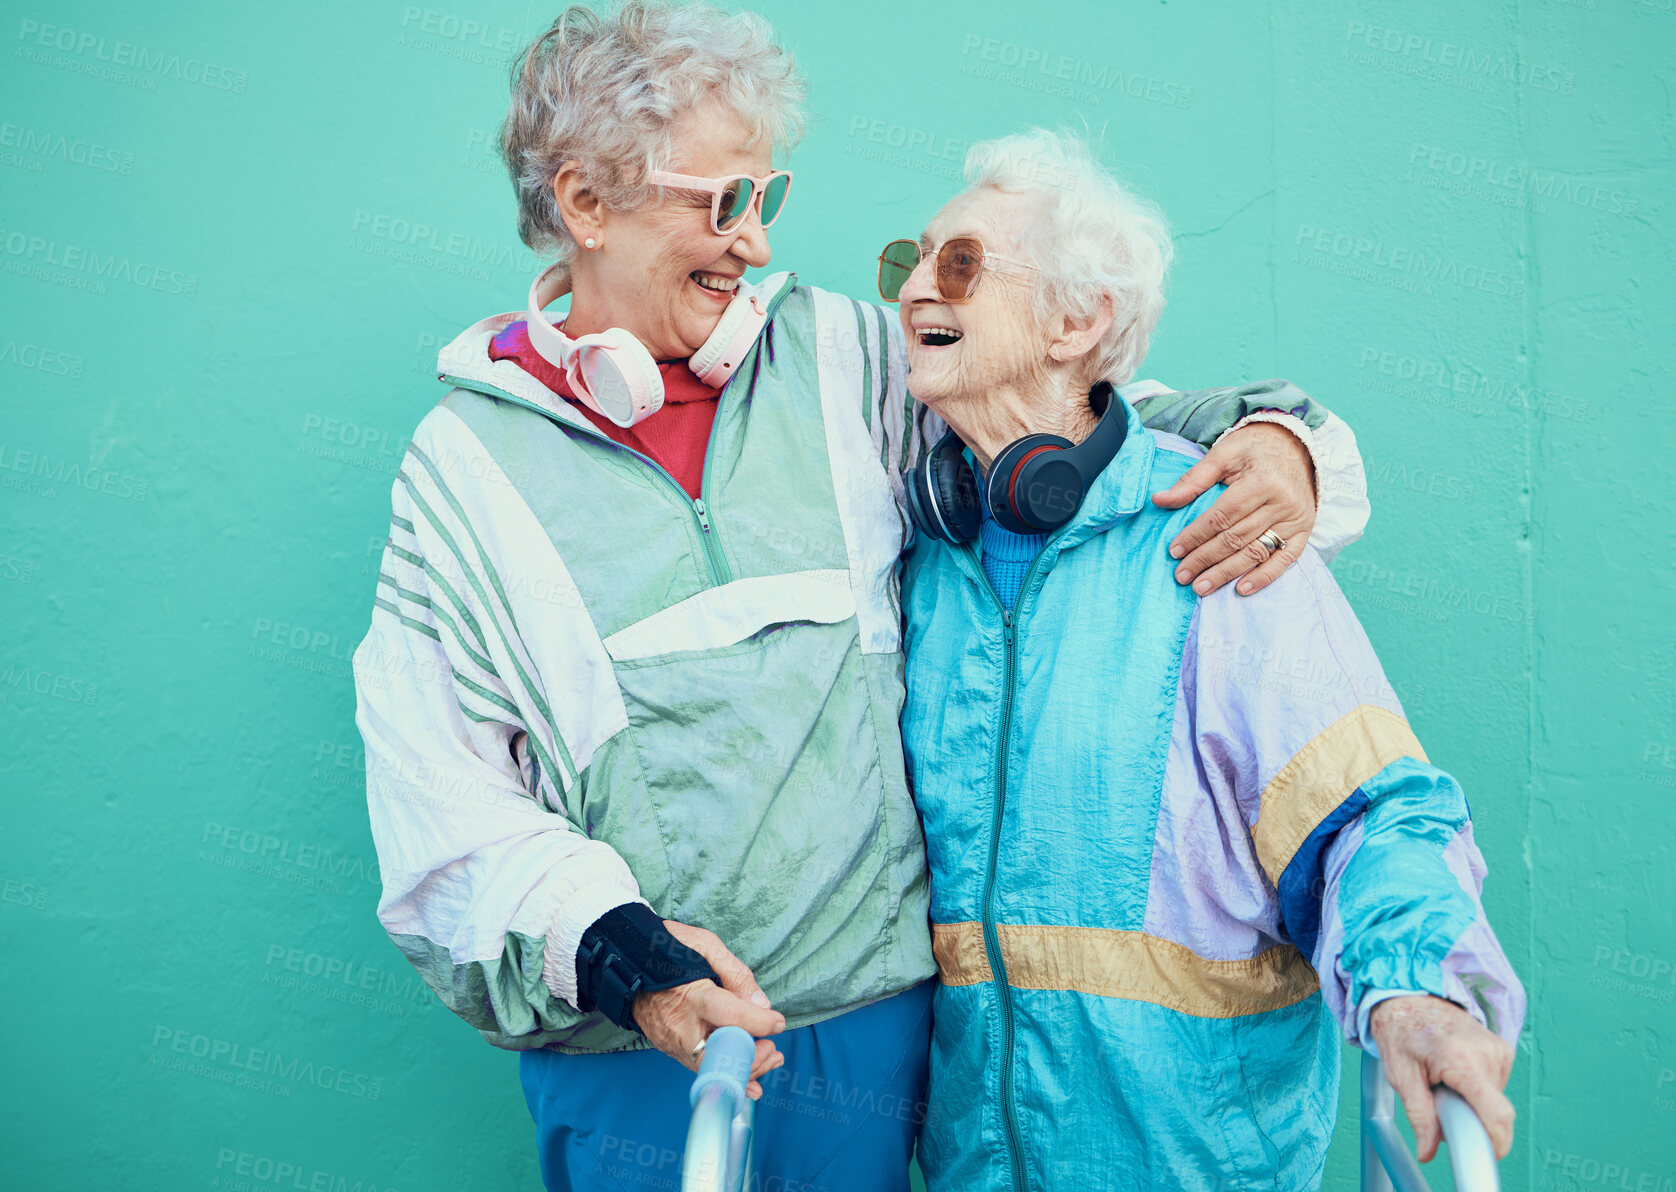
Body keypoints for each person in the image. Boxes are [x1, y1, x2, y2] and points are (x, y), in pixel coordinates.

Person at [351, 5, 1368, 1189]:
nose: (748, 242)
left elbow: (1077, 413)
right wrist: (621, 955)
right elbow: (439, 802)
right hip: (630, 1053)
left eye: (763, 200)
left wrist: (1285, 442)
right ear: (583, 203)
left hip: (879, 1049)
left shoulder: (843, 356)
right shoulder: (460, 467)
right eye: (718, 202)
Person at [894, 128, 1524, 1192]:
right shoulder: (919, 559)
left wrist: (1411, 988)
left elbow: (1367, 815)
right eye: (904, 261)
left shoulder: (1216, 534)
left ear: (1076, 320)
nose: (913, 288)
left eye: (955, 262)